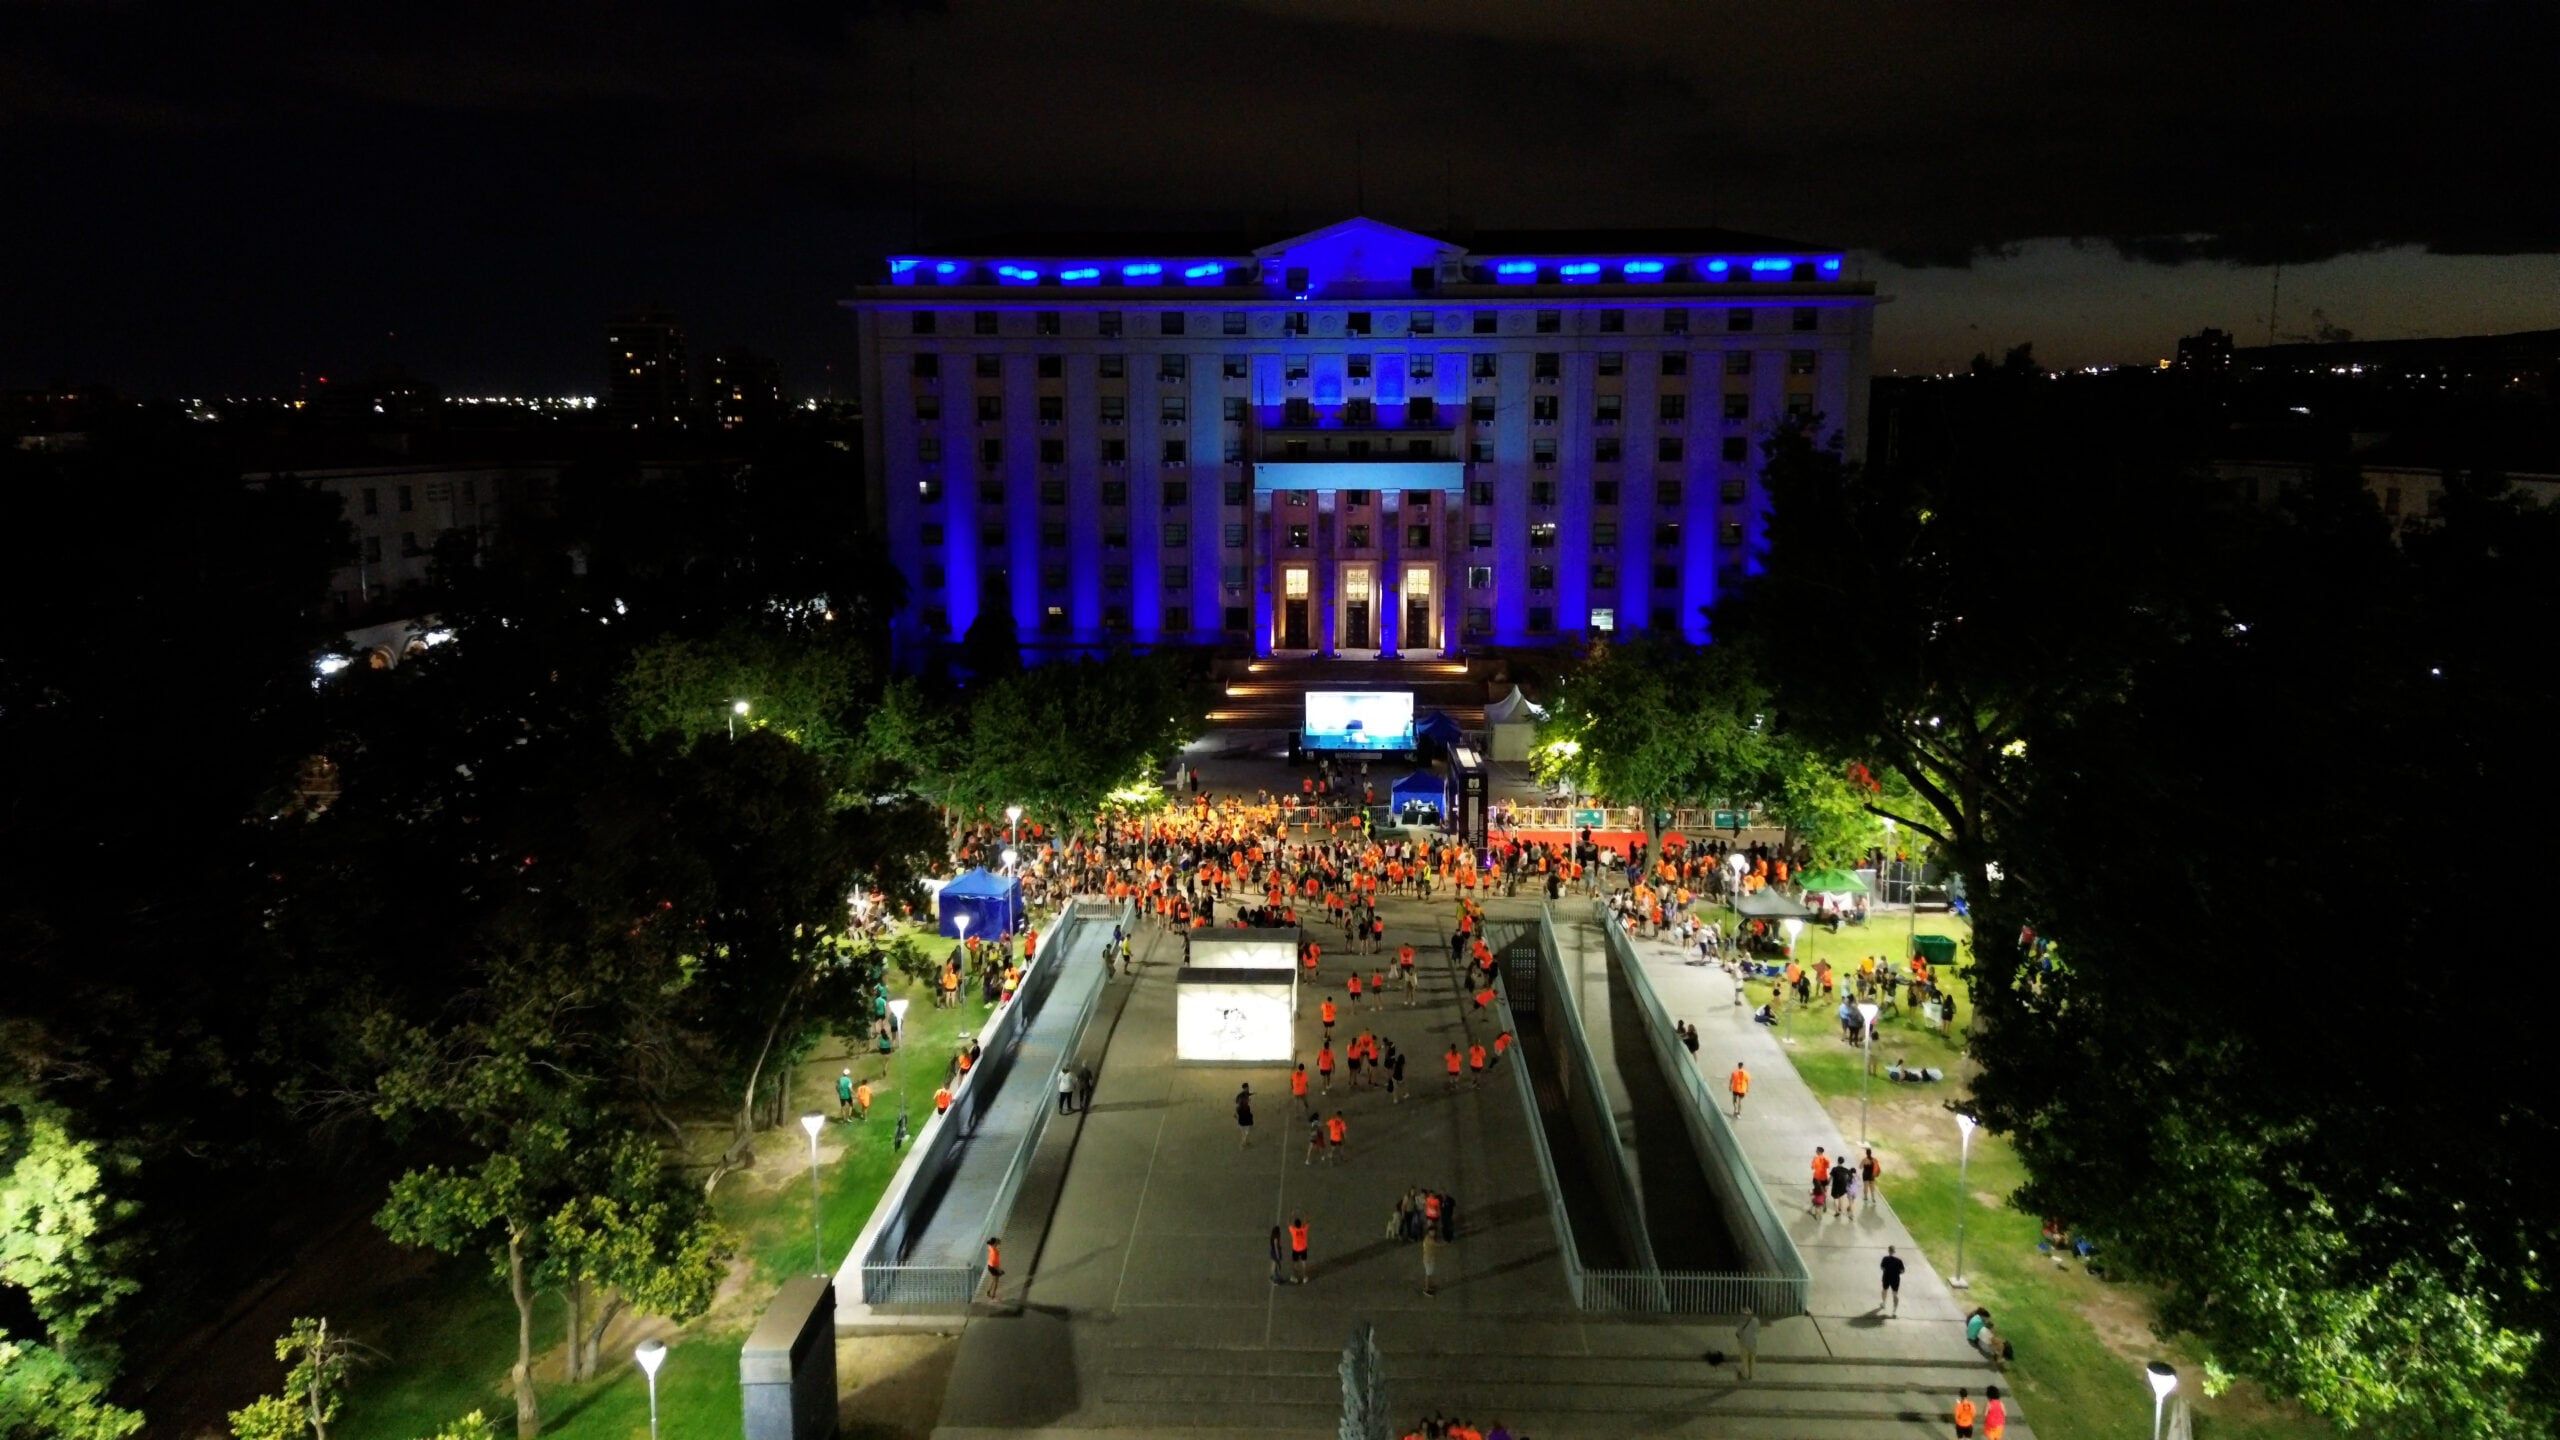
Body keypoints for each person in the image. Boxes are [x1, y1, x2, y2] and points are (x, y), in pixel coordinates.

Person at [1879, 1245, 1905, 1317]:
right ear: (1894, 1251)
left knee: (1884, 1290)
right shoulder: (1899, 1260)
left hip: (1886, 1277)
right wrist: (1897, 1272)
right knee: (1895, 1294)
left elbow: (1882, 1267)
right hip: (1895, 1278)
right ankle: (1894, 1312)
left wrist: (1887, 1270)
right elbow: (1902, 1271)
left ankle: (1883, 1303)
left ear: (1889, 1251)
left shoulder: (1885, 1259)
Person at [981, 1236, 1003, 1303]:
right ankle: (993, 1297)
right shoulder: (994, 1252)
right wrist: (999, 1270)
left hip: (989, 1266)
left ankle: (988, 1291)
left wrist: (997, 1241)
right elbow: (994, 1264)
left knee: (993, 1279)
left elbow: (996, 1241)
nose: (997, 1243)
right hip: (993, 1267)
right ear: (994, 1243)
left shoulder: (990, 1247)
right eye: (996, 1242)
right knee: (996, 1282)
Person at [1289, 1215, 1311, 1283]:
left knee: (1295, 1263)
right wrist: (1306, 1214)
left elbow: (1289, 1223)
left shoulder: (1293, 1230)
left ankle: (1294, 1277)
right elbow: (1307, 1222)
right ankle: (1304, 1277)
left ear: (1295, 1225)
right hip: (1303, 1248)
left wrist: (1290, 1215)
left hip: (1295, 1249)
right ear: (1300, 1224)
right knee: (1303, 1263)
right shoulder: (1304, 1229)